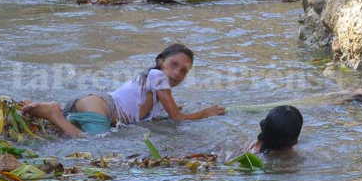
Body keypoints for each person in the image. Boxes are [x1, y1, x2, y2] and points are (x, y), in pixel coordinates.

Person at [21, 44, 226, 136]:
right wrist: (205, 113)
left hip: (93, 105)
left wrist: (163, 112)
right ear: (160, 61)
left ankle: (43, 113)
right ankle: (53, 112)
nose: (176, 74)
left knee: (57, 133)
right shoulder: (157, 76)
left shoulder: (155, 88)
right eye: (173, 64)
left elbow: (150, 114)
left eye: (184, 71)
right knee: (91, 143)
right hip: (101, 107)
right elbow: (178, 118)